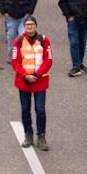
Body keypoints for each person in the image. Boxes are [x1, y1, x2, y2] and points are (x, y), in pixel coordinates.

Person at [11, 16, 52, 150]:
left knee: (40, 109)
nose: (29, 27)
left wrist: (36, 74)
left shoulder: (44, 40)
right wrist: (25, 75)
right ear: (24, 27)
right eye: (27, 25)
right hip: (24, 81)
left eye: (32, 24)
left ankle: (41, 136)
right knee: (25, 109)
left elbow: (48, 60)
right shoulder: (18, 41)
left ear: (36, 26)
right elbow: (15, 62)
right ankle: (28, 134)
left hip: (40, 81)